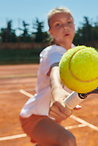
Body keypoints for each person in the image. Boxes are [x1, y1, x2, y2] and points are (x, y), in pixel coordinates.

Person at [19, 7, 79, 146]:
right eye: (58, 24)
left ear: (74, 26)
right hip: (35, 116)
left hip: (52, 116)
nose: (65, 27)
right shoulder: (52, 52)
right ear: (50, 32)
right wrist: (57, 89)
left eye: (69, 22)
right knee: (67, 141)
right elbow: (56, 68)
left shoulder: (77, 53)